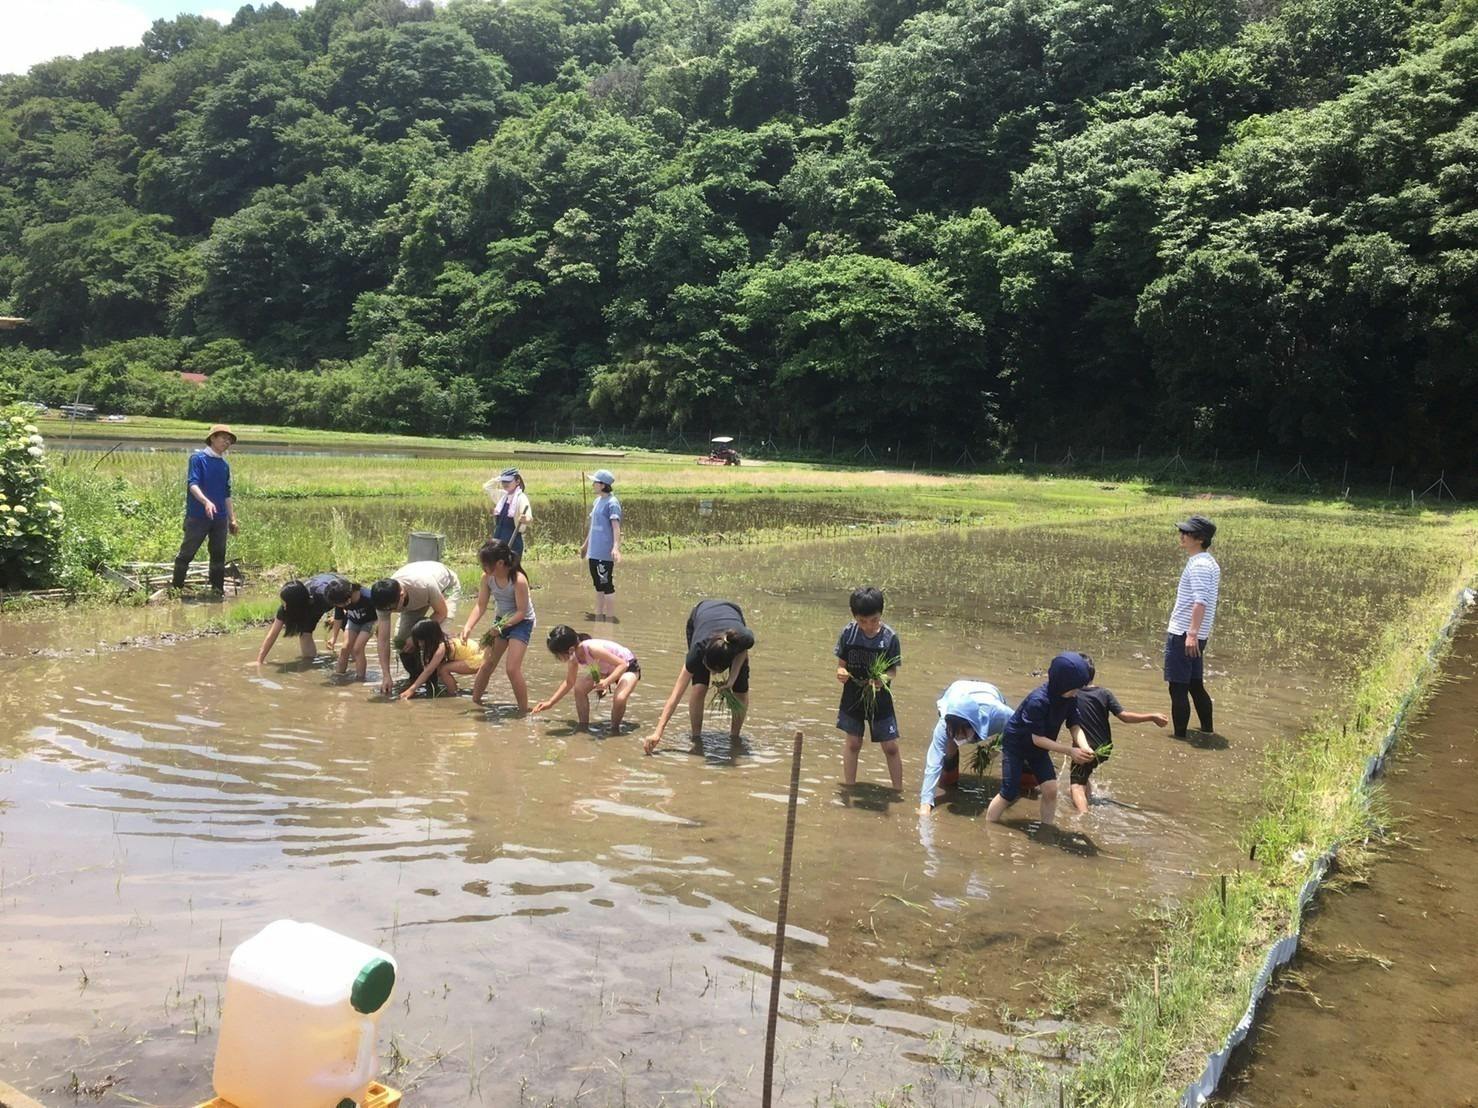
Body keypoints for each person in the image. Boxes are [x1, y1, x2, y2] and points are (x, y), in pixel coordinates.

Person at [985, 652, 1096, 826]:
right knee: (1009, 792)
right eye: (1075, 688)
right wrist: (1069, 750)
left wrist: (1084, 746)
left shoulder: (1070, 698)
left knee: (1051, 789)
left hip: (1039, 748)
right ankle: (989, 826)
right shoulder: (1038, 701)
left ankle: (1047, 828)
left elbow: (1074, 725)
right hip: (1017, 745)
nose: (1077, 692)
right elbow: (1037, 739)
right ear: (1062, 684)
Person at [644, 599, 754, 754]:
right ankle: (697, 738)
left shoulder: (743, 637)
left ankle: (734, 737)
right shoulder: (698, 651)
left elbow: (743, 650)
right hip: (700, 615)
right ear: (703, 659)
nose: (714, 675)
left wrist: (732, 680)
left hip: (732, 613)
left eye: (716, 672)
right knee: (699, 688)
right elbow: (675, 695)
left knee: (741, 691)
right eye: (711, 670)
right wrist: (658, 732)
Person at [1065, 658, 1169, 813]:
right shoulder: (1104, 693)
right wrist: (1151, 716)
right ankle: (1089, 801)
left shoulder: (1072, 695)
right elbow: (1125, 716)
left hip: (1085, 747)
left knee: (1076, 786)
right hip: (1104, 748)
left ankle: (1082, 818)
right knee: (1084, 776)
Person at [835, 586, 903, 789]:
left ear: (880, 614)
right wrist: (841, 673)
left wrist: (882, 679)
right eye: (862, 621)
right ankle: (849, 787)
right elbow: (841, 665)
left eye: (873, 620)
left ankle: (898, 791)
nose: (868, 626)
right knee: (853, 743)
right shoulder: (848, 633)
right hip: (853, 693)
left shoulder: (890, 638)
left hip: (879, 696)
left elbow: (892, 671)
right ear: (854, 616)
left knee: (890, 747)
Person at [918, 680, 1014, 814]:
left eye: (961, 734)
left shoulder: (999, 715)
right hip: (956, 691)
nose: (958, 737)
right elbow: (933, 763)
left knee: (1024, 774)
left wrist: (997, 748)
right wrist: (925, 804)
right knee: (947, 764)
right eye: (954, 733)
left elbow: (1019, 728)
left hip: (989, 692)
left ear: (973, 726)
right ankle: (950, 774)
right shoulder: (945, 725)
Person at [461, 539, 536, 710]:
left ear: (500, 563)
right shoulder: (487, 578)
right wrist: (468, 626)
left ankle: (524, 712)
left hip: (521, 622)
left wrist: (501, 627)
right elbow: (480, 605)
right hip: (501, 621)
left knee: (512, 669)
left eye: (486, 565)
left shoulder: (518, 580)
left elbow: (521, 612)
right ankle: (476, 704)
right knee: (487, 664)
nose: (484, 569)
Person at [370, 560, 461, 696]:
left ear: (401, 595)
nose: (392, 612)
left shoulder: (424, 585)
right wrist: (386, 675)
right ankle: (415, 678)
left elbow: (442, 613)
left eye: (394, 609)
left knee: (433, 640)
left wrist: (415, 637)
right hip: (415, 600)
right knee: (402, 641)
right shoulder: (384, 601)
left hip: (445, 588)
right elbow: (383, 640)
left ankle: (436, 685)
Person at [1166, 515, 1221, 737]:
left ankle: (1179, 737)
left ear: (1199, 539)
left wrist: (1191, 634)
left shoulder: (1199, 565)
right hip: (1195, 634)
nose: (1182, 536)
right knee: (1195, 684)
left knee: (1177, 687)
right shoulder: (1208, 562)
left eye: (1186, 533)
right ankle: (1207, 731)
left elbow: (1200, 601)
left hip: (1184, 633)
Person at [170, 424, 239, 594]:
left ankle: (217, 592)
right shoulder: (198, 459)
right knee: (186, 554)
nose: (227, 441)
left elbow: (226, 494)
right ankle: (176, 590)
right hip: (198, 516)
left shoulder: (224, 465)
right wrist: (206, 502)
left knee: (218, 556)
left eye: (229, 439)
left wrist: (232, 519)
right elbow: (193, 484)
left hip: (219, 518)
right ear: (213, 438)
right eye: (223, 437)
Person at [531, 625, 642, 730]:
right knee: (579, 688)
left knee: (620, 698)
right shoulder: (574, 656)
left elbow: (622, 664)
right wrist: (550, 702)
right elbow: (570, 682)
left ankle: (614, 729)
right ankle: (583, 727)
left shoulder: (592, 648)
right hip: (605, 670)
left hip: (628, 667)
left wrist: (607, 682)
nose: (557, 658)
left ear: (569, 650)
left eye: (557, 654)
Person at [255, 573, 351, 663]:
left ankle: (354, 660)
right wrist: (259, 661)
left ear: (295, 604)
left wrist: (334, 636)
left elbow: (343, 608)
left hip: (337, 589)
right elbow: (272, 634)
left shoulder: (323, 594)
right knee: (305, 634)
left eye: (284, 603)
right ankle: (310, 661)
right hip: (314, 605)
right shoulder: (286, 608)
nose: (283, 606)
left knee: (349, 627)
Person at [399, 619, 486, 700]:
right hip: (478, 655)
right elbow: (428, 668)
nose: (419, 644)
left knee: (444, 669)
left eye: (421, 640)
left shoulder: (441, 647)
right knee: (440, 668)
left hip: (477, 660)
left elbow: (428, 671)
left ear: (430, 638)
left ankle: (453, 694)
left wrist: (411, 689)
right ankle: (452, 686)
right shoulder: (442, 639)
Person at [580, 469, 622, 621]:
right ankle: (598, 615)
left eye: (595, 482)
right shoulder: (597, 502)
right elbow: (593, 526)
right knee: (597, 584)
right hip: (594, 551)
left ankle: (609, 618)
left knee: (606, 584)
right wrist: (585, 546)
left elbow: (616, 527)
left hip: (604, 551)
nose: (592, 485)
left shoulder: (612, 503)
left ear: (603, 485)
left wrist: (615, 547)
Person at [330, 581, 376, 681]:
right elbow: (338, 618)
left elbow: (381, 615)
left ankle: (360, 679)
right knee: (345, 648)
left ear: (348, 598)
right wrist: (334, 637)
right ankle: (338, 676)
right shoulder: (340, 598)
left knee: (357, 649)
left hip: (370, 622)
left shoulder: (368, 597)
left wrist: (379, 630)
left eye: (340, 604)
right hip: (353, 621)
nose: (339, 606)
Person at [483, 467, 532, 556]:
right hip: (498, 538)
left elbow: (529, 518)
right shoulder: (502, 496)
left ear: (517, 481)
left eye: (508, 481)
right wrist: (498, 479)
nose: (505, 484)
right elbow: (487, 487)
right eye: (503, 481)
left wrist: (525, 519)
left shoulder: (521, 498)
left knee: (510, 567)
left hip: (513, 540)